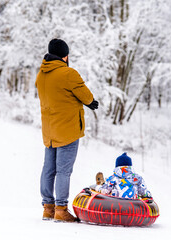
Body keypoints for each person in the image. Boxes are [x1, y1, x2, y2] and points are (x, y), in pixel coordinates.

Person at [35, 39, 99, 222]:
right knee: (63, 170)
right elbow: (86, 96)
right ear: (65, 55)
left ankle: (48, 208)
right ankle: (61, 210)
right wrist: (91, 103)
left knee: (48, 169)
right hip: (68, 129)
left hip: (50, 131)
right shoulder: (68, 73)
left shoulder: (41, 75)